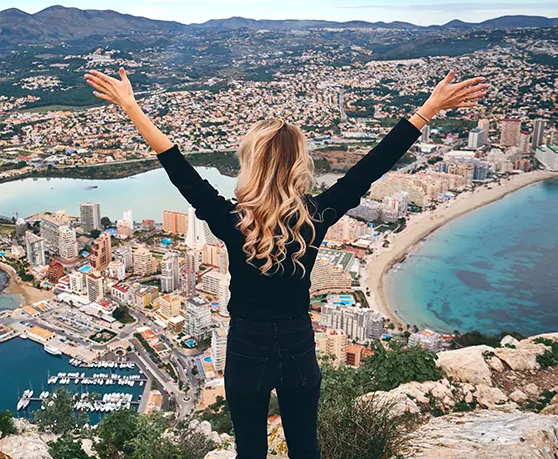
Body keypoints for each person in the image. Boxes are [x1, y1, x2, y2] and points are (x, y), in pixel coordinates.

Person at [85, 68, 488, 458]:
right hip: (298, 344)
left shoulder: (232, 221)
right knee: (305, 448)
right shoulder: (316, 215)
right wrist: (428, 109)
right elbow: (374, 164)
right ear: (299, 165)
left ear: (251, 163)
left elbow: (178, 168)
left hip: (245, 347)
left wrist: (132, 108)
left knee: (251, 453)